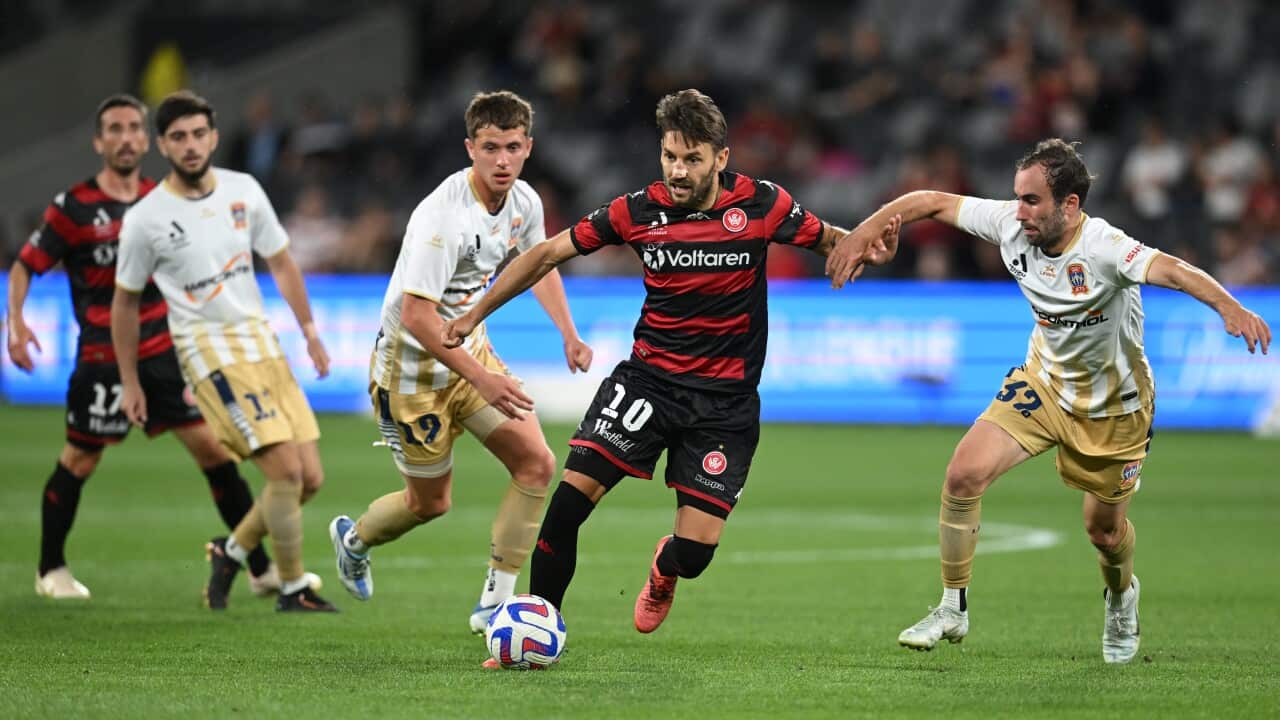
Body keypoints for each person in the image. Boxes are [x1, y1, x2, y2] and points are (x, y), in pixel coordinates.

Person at [443, 89, 898, 643]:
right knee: (566, 507)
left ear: (721, 158)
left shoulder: (762, 205)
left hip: (724, 404)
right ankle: (536, 629)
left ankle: (665, 567)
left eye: (692, 159)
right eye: (670, 157)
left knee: (695, 553)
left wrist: (867, 247)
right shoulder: (635, 211)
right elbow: (544, 255)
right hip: (648, 383)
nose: (678, 172)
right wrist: (471, 316)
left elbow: (832, 242)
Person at [825, 138, 1272, 664]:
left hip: (1115, 409)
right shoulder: (1011, 224)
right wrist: (863, 231)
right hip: (1044, 386)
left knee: (1103, 533)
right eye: (1018, 197)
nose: (1020, 212)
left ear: (1070, 205)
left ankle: (1122, 597)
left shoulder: (1105, 247)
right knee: (963, 474)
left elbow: (1173, 270)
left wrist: (1228, 307)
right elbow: (929, 200)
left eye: (1032, 200)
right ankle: (952, 607)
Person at [6, 94, 291, 601]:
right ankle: (50, 569)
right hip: (102, 358)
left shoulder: (163, 203)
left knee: (214, 453)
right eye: (113, 129)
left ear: (146, 140)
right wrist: (16, 322)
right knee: (79, 460)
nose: (124, 138)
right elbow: (27, 263)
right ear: (99, 141)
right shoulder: (73, 207)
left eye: (133, 128)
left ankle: (261, 568)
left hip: (166, 353)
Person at [327, 91, 593, 635]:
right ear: (470, 148)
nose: (501, 160)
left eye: (512, 147)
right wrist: (485, 381)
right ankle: (354, 540)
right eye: (490, 147)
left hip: (471, 357)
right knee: (429, 503)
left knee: (537, 464)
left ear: (528, 148)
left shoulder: (524, 202)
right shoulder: (441, 217)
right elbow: (420, 318)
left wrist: (569, 332)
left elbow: (538, 263)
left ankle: (496, 603)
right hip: (411, 378)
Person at [111, 90, 337, 612]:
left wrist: (309, 330)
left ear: (213, 137)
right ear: (161, 146)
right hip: (209, 354)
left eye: (198, 134)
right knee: (285, 473)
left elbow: (280, 262)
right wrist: (130, 379)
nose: (190, 146)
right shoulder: (145, 219)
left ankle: (231, 551)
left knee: (311, 478)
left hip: (262, 342)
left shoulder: (244, 190)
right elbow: (125, 303)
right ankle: (293, 585)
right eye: (177, 138)